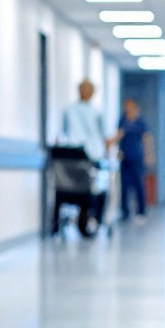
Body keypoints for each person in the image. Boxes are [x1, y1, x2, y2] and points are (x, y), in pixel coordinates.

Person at [60, 79, 107, 234]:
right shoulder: (96, 113)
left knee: (72, 185)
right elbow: (102, 136)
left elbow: (64, 132)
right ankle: (95, 220)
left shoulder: (69, 110)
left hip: (69, 158)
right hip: (89, 158)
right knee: (96, 189)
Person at [111, 98, 153, 224]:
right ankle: (125, 212)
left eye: (129, 106)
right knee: (124, 187)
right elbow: (119, 137)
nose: (126, 108)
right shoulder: (123, 121)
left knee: (139, 185)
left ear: (135, 106)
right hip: (125, 159)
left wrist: (149, 155)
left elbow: (147, 139)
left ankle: (141, 211)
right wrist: (115, 148)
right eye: (125, 106)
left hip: (137, 158)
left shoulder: (140, 122)